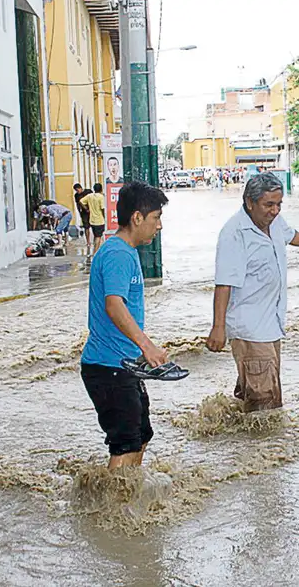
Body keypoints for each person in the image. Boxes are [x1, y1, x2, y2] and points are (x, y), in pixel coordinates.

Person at [206, 172, 299, 412]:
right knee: (266, 408)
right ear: (249, 202)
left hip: (270, 325)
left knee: (256, 396)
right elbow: (224, 283)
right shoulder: (235, 234)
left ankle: (241, 441)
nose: (275, 211)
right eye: (269, 205)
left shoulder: (273, 221)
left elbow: (290, 235)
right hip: (251, 329)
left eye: (279, 204)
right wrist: (218, 327)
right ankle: (264, 448)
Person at [80, 181, 170, 471]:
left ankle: (128, 501)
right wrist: (148, 345)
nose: (159, 226)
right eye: (156, 218)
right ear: (137, 218)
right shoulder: (118, 253)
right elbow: (114, 305)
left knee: (141, 437)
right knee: (126, 444)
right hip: (107, 368)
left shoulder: (125, 251)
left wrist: (140, 351)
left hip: (124, 364)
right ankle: (111, 512)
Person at [82, 183, 107, 255]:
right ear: (101, 189)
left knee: (96, 236)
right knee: (98, 237)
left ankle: (96, 250)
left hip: (92, 220)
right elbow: (102, 208)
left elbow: (81, 201)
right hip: (99, 220)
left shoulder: (89, 196)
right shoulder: (101, 197)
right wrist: (104, 216)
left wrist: (86, 209)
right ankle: (95, 253)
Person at [73, 183, 93, 253]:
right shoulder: (76, 195)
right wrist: (79, 212)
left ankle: (96, 239)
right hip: (84, 213)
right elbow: (78, 204)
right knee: (86, 227)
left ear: (80, 188)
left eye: (77, 190)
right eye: (76, 190)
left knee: (94, 225)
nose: (77, 191)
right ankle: (88, 242)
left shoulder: (88, 192)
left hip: (92, 211)